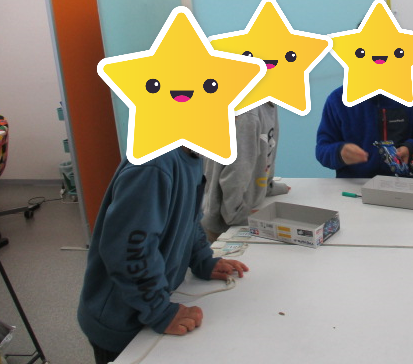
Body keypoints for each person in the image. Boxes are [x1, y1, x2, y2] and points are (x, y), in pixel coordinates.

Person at [78, 147, 248, 364]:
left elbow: (190, 218)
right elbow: (128, 251)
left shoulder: (192, 155)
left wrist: (203, 260)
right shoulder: (152, 164)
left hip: (150, 303)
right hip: (121, 319)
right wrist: (160, 311)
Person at [202, 103, 289, 242]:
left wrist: (267, 186)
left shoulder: (268, 105)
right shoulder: (248, 113)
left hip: (238, 212)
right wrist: (236, 214)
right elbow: (236, 171)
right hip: (224, 222)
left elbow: (266, 153)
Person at [316, 85, 413, 178]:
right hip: (354, 188)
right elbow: (322, 149)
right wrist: (339, 153)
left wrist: (411, 149)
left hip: (405, 186)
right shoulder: (338, 99)